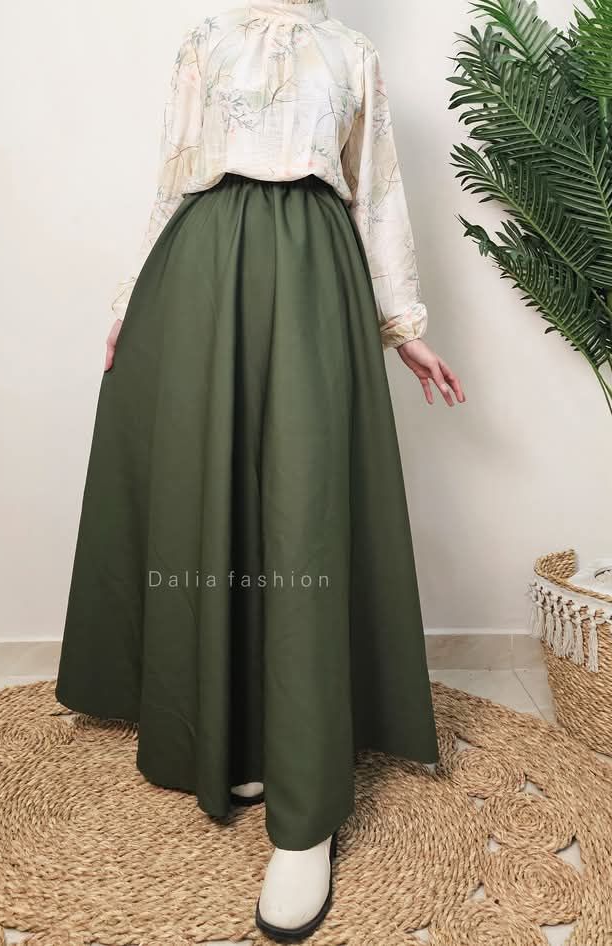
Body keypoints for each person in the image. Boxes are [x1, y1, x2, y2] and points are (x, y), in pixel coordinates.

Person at [55, 1, 466, 940]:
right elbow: (172, 177)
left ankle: (306, 808)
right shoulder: (204, 41)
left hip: (318, 276)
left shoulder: (353, 53)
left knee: (302, 514)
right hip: (201, 277)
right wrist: (128, 302)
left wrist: (404, 326)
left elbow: (377, 191)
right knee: (214, 504)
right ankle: (233, 736)